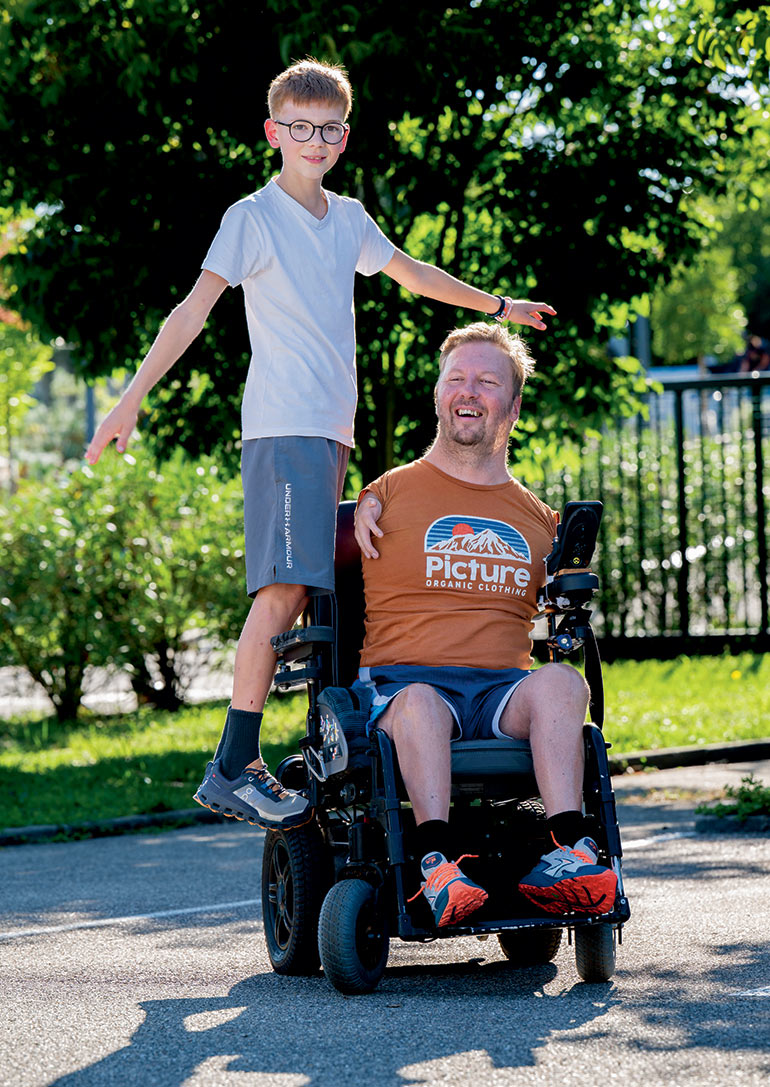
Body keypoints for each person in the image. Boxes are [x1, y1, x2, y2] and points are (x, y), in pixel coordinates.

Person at [84, 58, 555, 833]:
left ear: (342, 136)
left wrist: (498, 304)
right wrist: (128, 402)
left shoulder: (350, 220)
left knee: (307, 588)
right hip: (285, 428)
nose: (315, 140)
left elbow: (413, 273)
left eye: (328, 128)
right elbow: (192, 311)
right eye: (299, 127)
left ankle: (264, 754)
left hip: (326, 430)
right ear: (275, 132)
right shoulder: (251, 218)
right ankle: (235, 763)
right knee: (284, 590)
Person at [353, 320, 617, 927]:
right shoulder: (386, 494)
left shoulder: (538, 518)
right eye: (457, 378)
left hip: (501, 689)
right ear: (439, 393)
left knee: (562, 684)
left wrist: (566, 590)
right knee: (418, 703)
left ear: (514, 406)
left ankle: (570, 852)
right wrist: (363, 498)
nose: (468, 391)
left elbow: (556, 620)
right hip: (405, 684)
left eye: (487, 381)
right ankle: (435, 864)